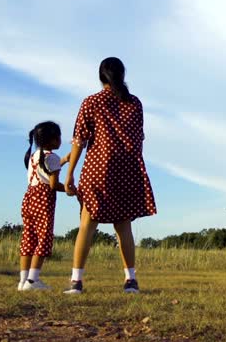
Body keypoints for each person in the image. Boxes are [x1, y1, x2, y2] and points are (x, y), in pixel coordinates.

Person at [63, 57, 157, 294]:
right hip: (127, 168)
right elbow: (139, 139)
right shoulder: (135, 103)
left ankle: (76, 281)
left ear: (101, 76)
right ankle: (130, 280)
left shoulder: (92, 102)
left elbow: (79, 141)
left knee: (87, 225)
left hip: (99, 168)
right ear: (122, 75)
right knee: (124, 226)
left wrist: (70, 173)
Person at [18, 121, 67, 291]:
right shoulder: (51, 157)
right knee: (43, 238)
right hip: (43, 199)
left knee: (29, 238)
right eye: (59, 136)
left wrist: (64, 161)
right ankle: (33, 280)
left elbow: (46, 168)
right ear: (53, 139)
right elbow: (53, 184)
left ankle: (23, 281)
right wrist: (70, 189)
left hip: (29, 198)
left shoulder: (35, 156)